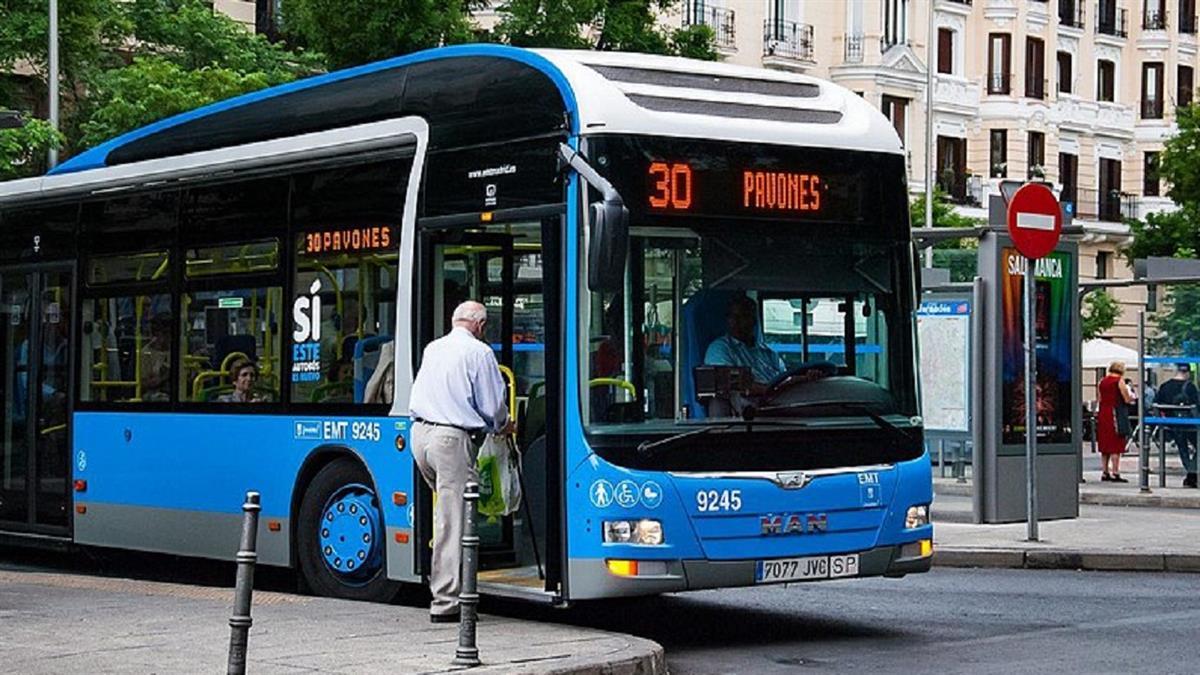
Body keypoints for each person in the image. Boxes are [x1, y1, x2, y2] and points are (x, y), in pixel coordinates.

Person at [409, 300, 513, 622]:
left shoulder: (433, 348)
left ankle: (449, 589)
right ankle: (447, 602)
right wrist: (504, 424)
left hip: (420, 437)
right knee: (455, 523)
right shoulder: (479, 353)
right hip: (450, 439)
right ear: (480, 325)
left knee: (446, 517)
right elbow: (493, 405)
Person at [704, 295, 786, 395]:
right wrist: (771, 391)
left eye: (743, 316)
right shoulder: (719, 349)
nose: (736, 321)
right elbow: (731, 386)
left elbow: (784, 379)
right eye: (732, 316)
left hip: (780, 401)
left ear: (754, 320)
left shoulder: (769, 354)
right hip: (750, 406)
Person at [1152, 363, 1199, 488]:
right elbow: (1196, 405)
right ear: (1188, 372)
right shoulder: (1190, 387)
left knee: (1182, 449)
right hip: (1190, 424)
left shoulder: (1165, 386)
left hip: (1172, 424)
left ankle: (1191, 474)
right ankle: (1192, 473)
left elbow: (1156, 405)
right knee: (1198, 446)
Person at [1096, 361, 1133, 482]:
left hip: (1103, 412)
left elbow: (1099, 398)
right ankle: (1115, 472)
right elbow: (1126, 398)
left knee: (1105, 443)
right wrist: (1131, 398)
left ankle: (1105, 471)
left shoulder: (1102, 381)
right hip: (1115, 412)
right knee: (1115, 444)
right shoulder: (1119, 381)